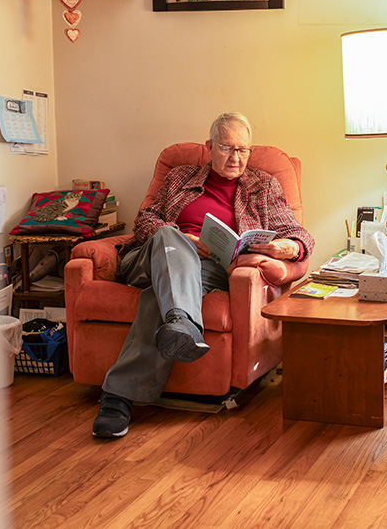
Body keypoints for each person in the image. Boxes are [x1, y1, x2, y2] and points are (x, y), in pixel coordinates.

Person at [92, 112, 315, 438]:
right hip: (151, 259)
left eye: (243, 150)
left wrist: (288, 248)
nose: (236, 158)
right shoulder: (180, 176)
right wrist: (182, 238)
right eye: (227, 148)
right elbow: (144, 222)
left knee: (159, 297)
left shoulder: (263, 186)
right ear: (210, 147)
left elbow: (298, 234)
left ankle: (118, 397)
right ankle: (183, 318)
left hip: (208, 271)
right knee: (171, 238)